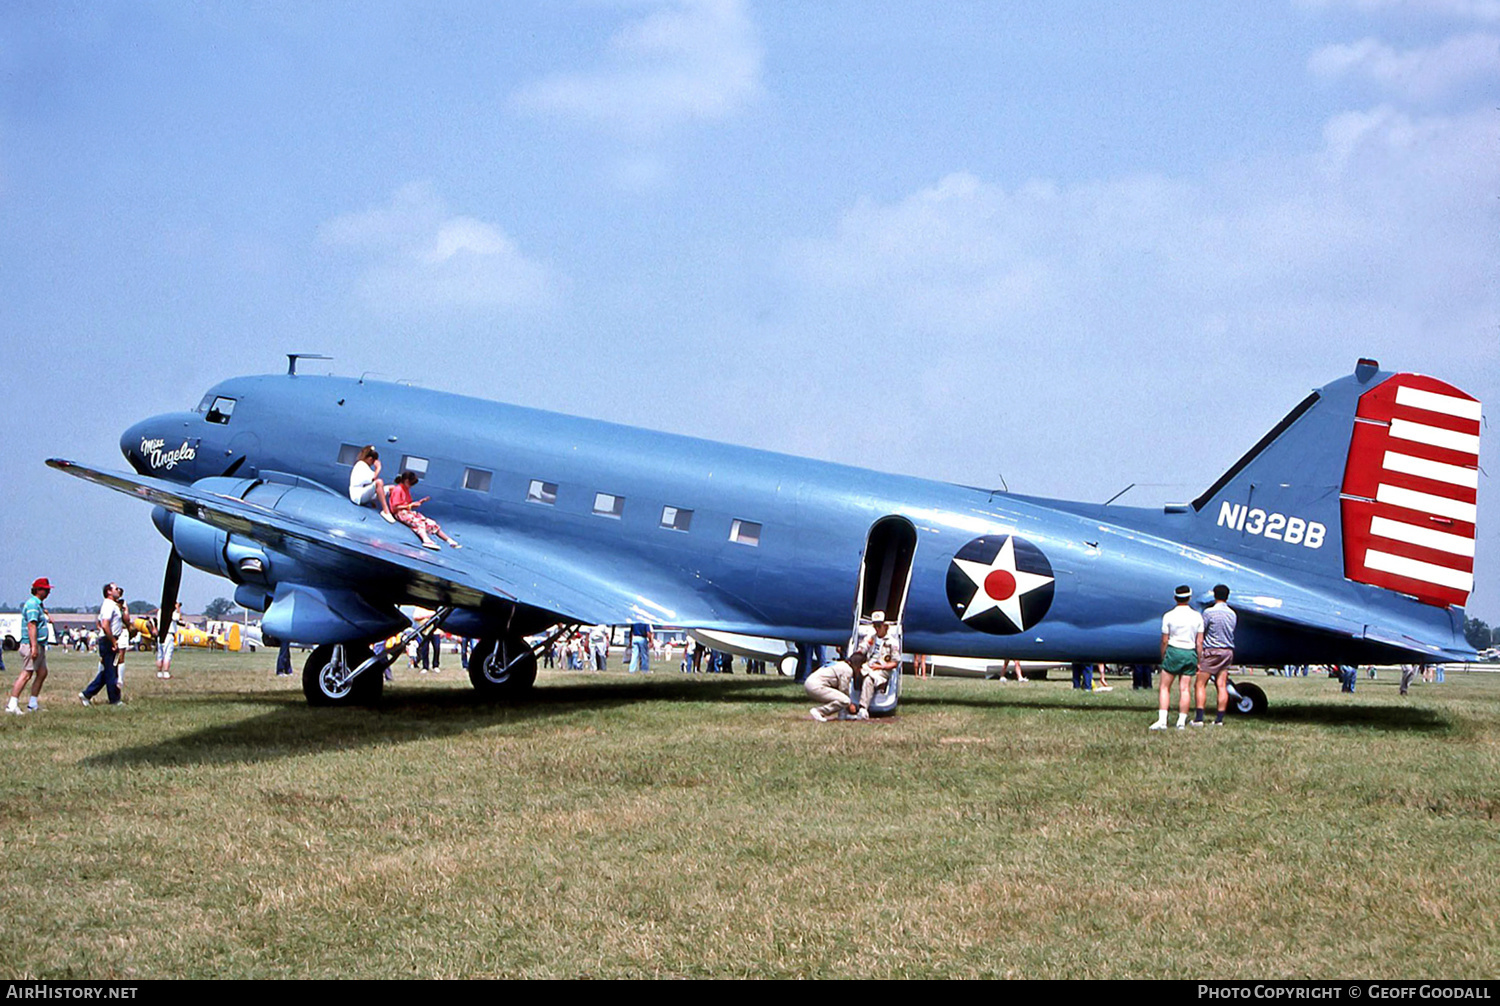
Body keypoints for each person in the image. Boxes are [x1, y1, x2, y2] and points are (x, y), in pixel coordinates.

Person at [1150, 585, 1202, 731]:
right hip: (1190, 652)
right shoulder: (1197, 616)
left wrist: (1163, 655)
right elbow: (1199, 642)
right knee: (1184, 688)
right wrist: (1198, 659)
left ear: (1175, 598)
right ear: (1189, 597)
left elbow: (1164, 640)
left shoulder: (1169, 616)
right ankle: (1181, 721)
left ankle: (1162, 721)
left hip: (1174, 651)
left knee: (1165, 687)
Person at [7, 577, 54, 715]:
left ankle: (32, 703)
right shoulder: (33, 604)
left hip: (38, 644)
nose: (48, 592)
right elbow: (31, 625)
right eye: (46, 590)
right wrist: (34, 647)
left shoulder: (38, 605)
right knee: (26, 674)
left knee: (42, 672)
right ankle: (12, 704)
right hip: (31, 644)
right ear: (38, 590)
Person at [1192, 584, 1237, 726]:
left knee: (1200, 684)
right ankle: (1219, 719)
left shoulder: (1209, 613)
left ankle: (1199, 718)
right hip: (1227, 651)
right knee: (1221, 685)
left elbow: (1202, 630)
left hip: (1212, 650)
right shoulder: (1232, 614)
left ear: (1214, 595)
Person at [388, 471, 460, 550]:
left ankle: (449, 540)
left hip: (408, 512)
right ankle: (426, 540)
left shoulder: (406, 490)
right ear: (406, 481)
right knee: (419, 523)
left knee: (430, 523)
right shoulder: (398, 489)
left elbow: (408, 504)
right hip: (401, 513)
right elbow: (394, 507)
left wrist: (418, 503)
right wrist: (410, 505)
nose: (411, 486)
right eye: (411, 484)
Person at [82, 583, 126, 706]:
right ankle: (114, 700)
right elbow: (105, 625)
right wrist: (113, 641)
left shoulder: (114, 605)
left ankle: (87, 694)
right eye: (116, 589)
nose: (119, 590)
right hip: (108, 640)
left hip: (111, 639)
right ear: (109, 592)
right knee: (111, 672)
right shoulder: (108, 605)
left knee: (109, 671)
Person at [855, 611, 901, 719]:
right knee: (850, 673)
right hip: (869, 666)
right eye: (874, 626)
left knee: (869, 679)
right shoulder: (871, 638)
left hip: (882, 670)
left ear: (885, 626)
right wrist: (859, 653)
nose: (876, 628)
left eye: (879, 626)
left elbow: (894, 663)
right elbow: (863, 647)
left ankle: (863, 709)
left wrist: (880, 667)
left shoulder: (892, 642)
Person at [806, 651, 866, 721]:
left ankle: (843, 715)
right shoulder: (847, 670)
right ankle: (819, 711)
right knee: (845, 700)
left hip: (811, 683)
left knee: (842, 698)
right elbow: (843, 689)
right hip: (816, 686)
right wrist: (850, 705)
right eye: (860, 666)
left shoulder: (841, 664)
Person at [349, 446, 397, 522]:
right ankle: (386, 511)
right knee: (379, 482)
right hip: (358, 496)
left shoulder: (365, 467)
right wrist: (378, 468)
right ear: (370, 459)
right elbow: (373, 479)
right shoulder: (361, 465)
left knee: (392, 488)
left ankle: (395, 511)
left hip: (363, 493)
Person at [156, 600, 182, 679]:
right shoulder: (171, 612)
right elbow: (178, 618)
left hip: (160, 634)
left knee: (160, 655)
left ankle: (159, 672)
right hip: (169, 634)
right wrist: (178, 609)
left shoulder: (160, 611)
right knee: (167, 654)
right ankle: (166, 672)